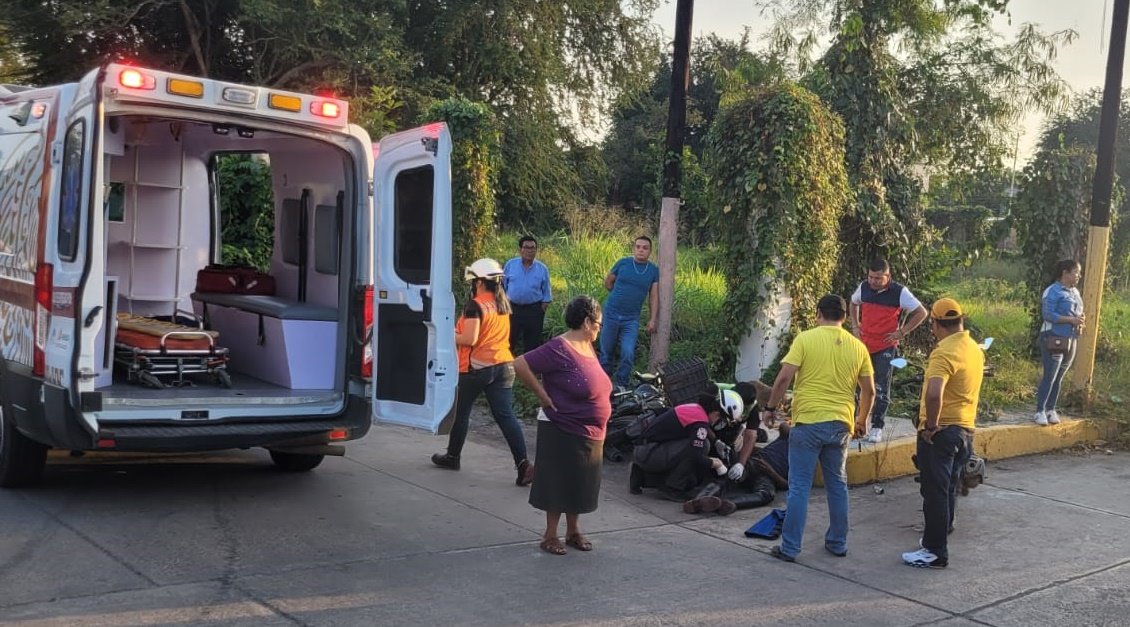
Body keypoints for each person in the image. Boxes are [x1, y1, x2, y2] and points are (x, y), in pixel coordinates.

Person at [761, 294, 875, 563]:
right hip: (840, 425)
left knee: (800, 486)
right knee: (837, 484)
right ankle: (837, 542)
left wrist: (770, 408)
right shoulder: (858, 347)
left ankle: (790, 548)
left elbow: (784, 378)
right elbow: (869, 391)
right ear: (845, 317)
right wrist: (861, 421)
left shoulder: (805, 339)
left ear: (818, 314)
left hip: (808, 422)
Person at [513, 295, 612, 555]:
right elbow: (520, 364)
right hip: (563, 425)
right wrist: (543, 396)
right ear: (587, 321)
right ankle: (550, 535)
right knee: (558, 481)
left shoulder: (587, 346)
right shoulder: (559, 347)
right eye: (598, 324)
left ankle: (573, 530)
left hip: (590, 430)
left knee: (581, 482)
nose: (599, 329)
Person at [431, 258, 534, 487]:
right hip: (504, 366)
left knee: (461, 412)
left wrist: (445, 334)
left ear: (478, 282)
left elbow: (469, 338)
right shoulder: (502, 303)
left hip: (476, 368)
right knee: (506, 417)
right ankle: (523, 464)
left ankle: (453, 456)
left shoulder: (475, 305)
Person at [901, 297, 985, 569]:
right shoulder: (973, 348)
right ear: (961, 320)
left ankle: (934, 551)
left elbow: (934, 392)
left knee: (934, 492)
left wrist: (931, 426)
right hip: (965, 430)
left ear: (935, 324)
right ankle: (944, 529)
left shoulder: (943, 352)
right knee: (949, 487)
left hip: (942, 432)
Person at [849, 258, 928, 443]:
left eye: (878, 278)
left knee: (881, 386)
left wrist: (902, 332)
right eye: (871, 277)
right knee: (859, 385)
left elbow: (921, 312)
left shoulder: (899, 292)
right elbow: (853, 303)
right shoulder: (864, 287)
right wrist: (855, 325)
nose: (874, 281)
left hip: (885, 346)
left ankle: (877, 426)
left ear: (888, 276)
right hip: (863, 344)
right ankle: (858, 422)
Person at [628, 389, 744, 500]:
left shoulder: (696, 409)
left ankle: (641, 476)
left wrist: (717, 442)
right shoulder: (700, 422)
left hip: (644, 450)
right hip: (649, 453)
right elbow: (695, 456)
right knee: (702, 447)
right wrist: (716, 463)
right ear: (717, 413)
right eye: (723, 420)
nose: (721, 424)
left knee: (698, 449)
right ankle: (673, 488)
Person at [683, 420, 791, 515]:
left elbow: (789, 485)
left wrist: (771, 472)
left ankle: (727, 503)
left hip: (771, 477)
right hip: (755, 463)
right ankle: (697, 501)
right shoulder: (790, 436)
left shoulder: (807, 461)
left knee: (766, 495)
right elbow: (783, 426)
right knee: (728, 476)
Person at [600, 236, 660, 388]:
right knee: (606, 352)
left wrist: (653, 319)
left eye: (645, 248)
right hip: (611, 313)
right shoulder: (623, 263)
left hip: (631, 319)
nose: (641, 250)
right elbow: (608, 282)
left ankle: (621, 386)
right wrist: (619, 295)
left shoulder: (653, 270)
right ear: (634, 248)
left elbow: (653, 296)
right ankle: (603, 384)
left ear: (650, 251)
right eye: (638, 247)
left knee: (628, 353)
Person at [1035, 259, 1085, 426]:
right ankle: (1040, 410)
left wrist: (1079, 321)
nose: (1079, 276)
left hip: (1071, 338)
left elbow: (1078, 312)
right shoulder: (1052, 291)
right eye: (1076, 272)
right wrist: (1071, 320)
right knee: (1050, 375)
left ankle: (1051, 409)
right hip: (1053, 336)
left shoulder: (1075, 292)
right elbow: (1048, 315)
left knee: (1060, 376)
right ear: (1065, 272)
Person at [503, 235, 553, 354]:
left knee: (532, 344)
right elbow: (502, 286)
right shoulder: (510, 265)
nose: (530, 251)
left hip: (534, 311)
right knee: (508, 341)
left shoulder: (542, 269)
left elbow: (546, 293)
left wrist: (541, 310)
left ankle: (529, 370)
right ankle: (506, 368)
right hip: (512, 309)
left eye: (533, 248)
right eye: (526, 247)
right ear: (520, 249)